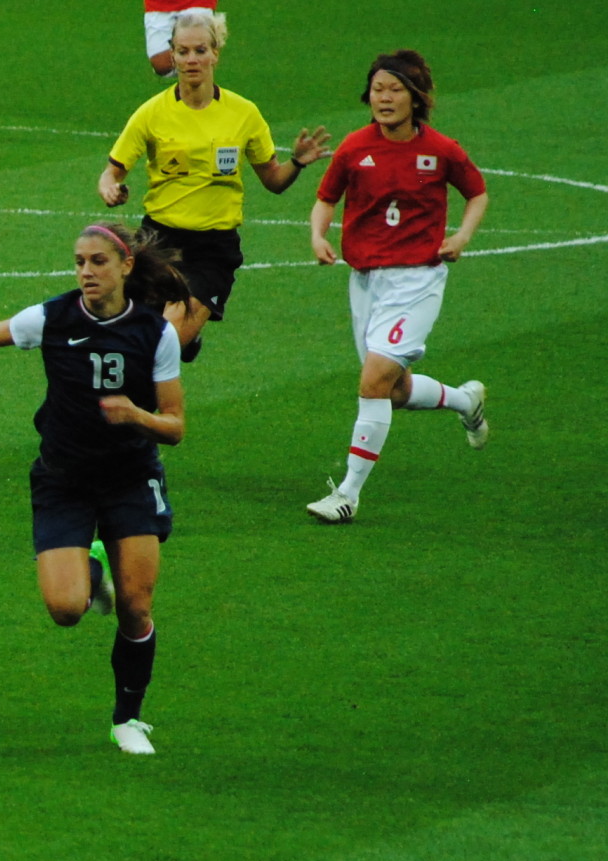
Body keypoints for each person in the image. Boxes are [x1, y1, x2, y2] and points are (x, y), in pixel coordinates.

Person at [0, 222, 187, 755]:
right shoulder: (53, 317)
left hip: (130, 479)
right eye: (78, 262)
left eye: (97, 262)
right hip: (64, 480)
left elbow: (175, 425)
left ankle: (128, 719)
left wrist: (135, 415)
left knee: (137, 607)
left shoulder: (155, 332)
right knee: (66, 609)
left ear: (125, 266)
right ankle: (93, 567)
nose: (85, 272)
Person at [305, 49, 490, 523]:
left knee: (372, 381)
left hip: (418, 279)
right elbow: (326, 199)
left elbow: (477, 192)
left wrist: (462, 236)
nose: (383, 98)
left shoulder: (441, 151)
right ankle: (465, 400)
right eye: (377, 89)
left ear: (416, 97)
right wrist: (318, 235)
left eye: (394, 90)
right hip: (365, 281)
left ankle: (347, 493)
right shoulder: (354, 147)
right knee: (393, 389)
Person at [99, 10, 331, 362]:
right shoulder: (150, 113)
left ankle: (179, 353)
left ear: (216, 53)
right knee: (136, 343)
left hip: (212, 249)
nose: (191, 60)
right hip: (158, 242)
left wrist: (296, 162)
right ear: (172, 55)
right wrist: (109, 187)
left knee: (166, 344)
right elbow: (112, 171)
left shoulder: (244, 113)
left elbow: (273, 181)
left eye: (200, 50)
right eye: (183, 51)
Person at [143, 1, 218, 78]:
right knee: (161, 65)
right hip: (158, 4)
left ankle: (200, 86)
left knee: (198, 47)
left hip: (197, 2)